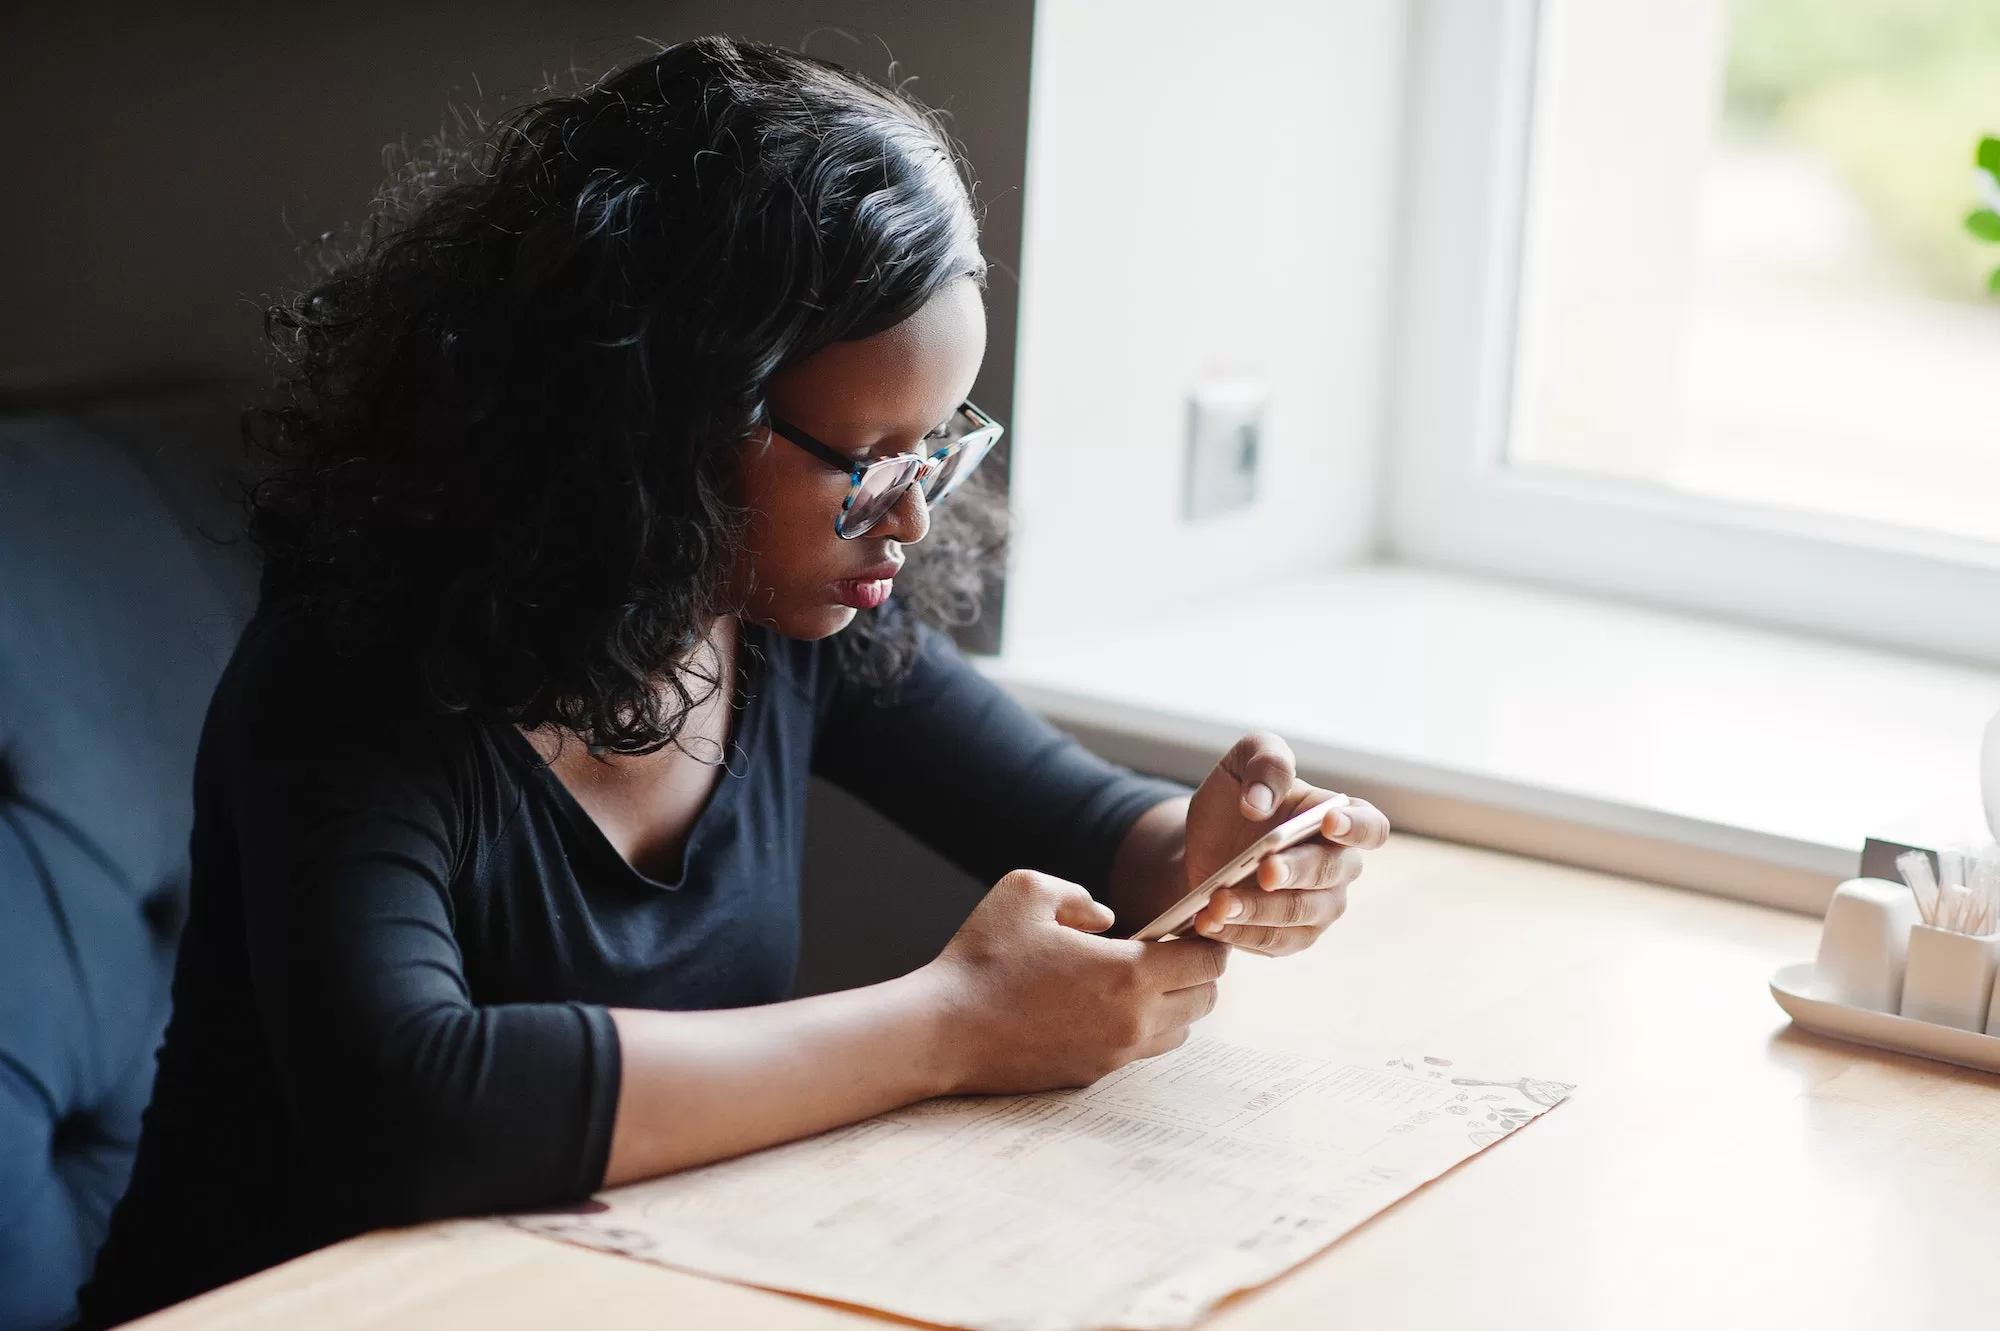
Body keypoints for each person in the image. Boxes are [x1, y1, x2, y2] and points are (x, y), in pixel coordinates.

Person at [76, 36, 1387, 1326]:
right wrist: (954, 1024)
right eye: (866, 456)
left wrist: (1213, 852)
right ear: (662, 412)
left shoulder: (788, 620)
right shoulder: (358, 675)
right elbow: (414, 1105)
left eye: (938, 444)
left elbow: (1099, 826)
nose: (913, 518)